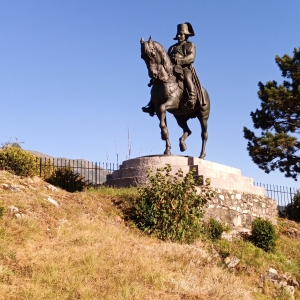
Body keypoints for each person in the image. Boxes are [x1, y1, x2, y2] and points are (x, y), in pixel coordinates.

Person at [142, 22, 204, 116]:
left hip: (185, 68)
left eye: (181, 34)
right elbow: (166, 58)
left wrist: (179, 60)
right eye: (178, 34)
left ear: (186, 35)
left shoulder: (190, 45)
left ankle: (192, 97)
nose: (179, 36)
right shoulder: (172, 47)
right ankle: (152, 104)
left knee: (187, 77)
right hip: (172, 68)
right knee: (157, 81)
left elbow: (191, 57)